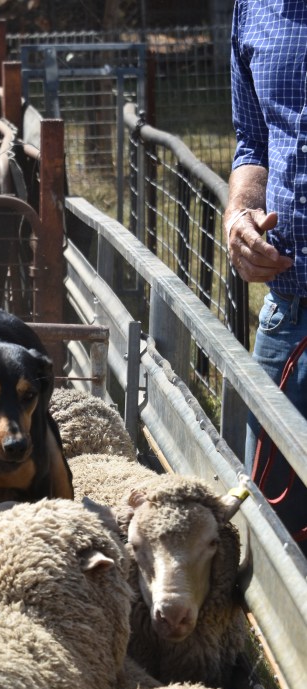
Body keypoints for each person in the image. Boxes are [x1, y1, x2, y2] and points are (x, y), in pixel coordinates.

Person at [224, 0, 307, 554]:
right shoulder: (254, 7)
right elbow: (253, 142)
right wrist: (240, 214)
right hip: (288, 312)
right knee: (271, 533)